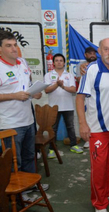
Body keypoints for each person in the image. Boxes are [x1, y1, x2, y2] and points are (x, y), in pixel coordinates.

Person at [76, 38, 109, 212]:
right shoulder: (91, 70)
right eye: (106, 49)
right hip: (98, 130)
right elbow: (80, 98)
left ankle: (108, 192)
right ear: (99, 51)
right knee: (99, 168)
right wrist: (82, 123)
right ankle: (99, 202)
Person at [0, 30, 48, 200]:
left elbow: (27, 86)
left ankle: (29, 185)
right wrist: (14, 95)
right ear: (0, 49)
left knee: (29, 155)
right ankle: (17, 193)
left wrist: (35, 93)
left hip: (28, 119)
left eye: (15, 45)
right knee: (14, 161)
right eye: (9, 46)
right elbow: (13, 93)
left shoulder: (22, 63)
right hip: (9, 125)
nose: (14, 49)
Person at [44, 53, 83, 157]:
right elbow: (47, 90)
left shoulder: (69, 75)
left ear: (64, 63)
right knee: (53, 128)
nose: (59, 62)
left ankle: (73, 145)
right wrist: (56, 84)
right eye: (56, 60)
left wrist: (62, 86)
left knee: (70, 126)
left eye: (61, 60)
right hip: (54, 107)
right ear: (53, 63)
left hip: (68, 106)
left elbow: (73, 90)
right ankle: (52, 149)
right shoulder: (48, 75)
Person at [76, 46, 98, 149]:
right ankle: (88, 139)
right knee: (87, 117)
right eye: (90, 53)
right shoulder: (81, 67)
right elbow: (79, 79)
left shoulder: (100, 66)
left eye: (94, 53)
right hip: (85, 96)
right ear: (85, 55)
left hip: (95, 100)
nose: (92, 55)